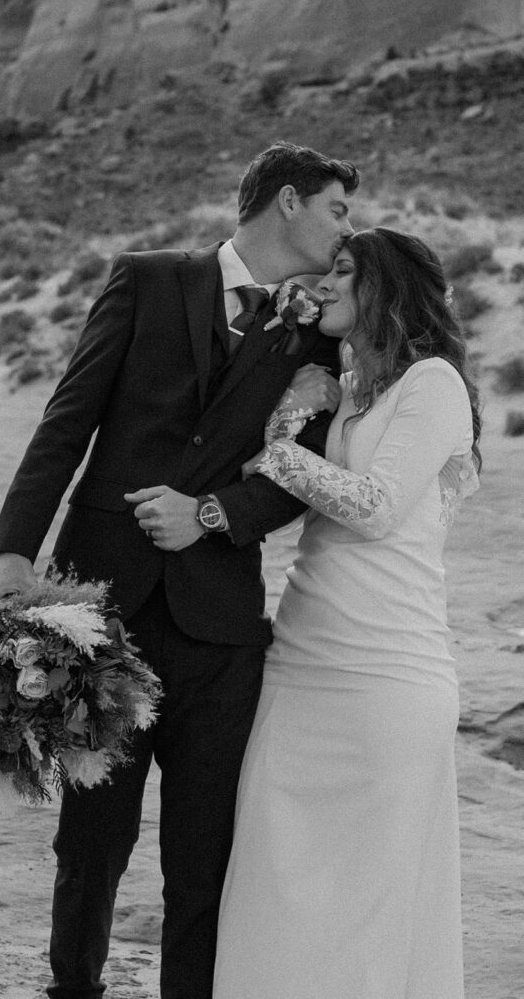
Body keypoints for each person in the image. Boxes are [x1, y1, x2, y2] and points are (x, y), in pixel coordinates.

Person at [0, 141, 360, 999]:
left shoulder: (315, 334)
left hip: (221, 628)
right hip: (104, 615)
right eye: (338, 209)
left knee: (204, 856)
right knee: (90, 847)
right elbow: (66, 421)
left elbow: (300, 474)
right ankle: (72, 987)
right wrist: (10, 550)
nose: (349, 229)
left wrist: (214, 515)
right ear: (289, 201)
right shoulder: (147, 279)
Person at [212, 227, 481, 999]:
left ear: (386, 289)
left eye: (341, 272)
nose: (323, 284)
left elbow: (370, 508)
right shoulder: (351, 386)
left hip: (382, 674)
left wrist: (278, 439)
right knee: (273, 880)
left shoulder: (431, 384)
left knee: (366, 904)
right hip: (299, 663)